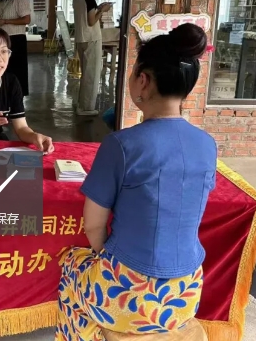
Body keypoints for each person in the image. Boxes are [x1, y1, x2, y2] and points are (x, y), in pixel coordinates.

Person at [56, 24, 217, 340]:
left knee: (71, 267)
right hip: (186, 296)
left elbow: (93, 227)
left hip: (128, 300)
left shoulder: (121, 145)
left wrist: (107, 261)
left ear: (143, 81)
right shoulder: (207, 144)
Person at [72, 0, 112, 116]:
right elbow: (91, 21)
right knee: (92, 75)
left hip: (81, 39)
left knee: (86, 73)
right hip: (91, 39)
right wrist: (102, 10)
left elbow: (85, 15)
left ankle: (81, 104)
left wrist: (98, 8)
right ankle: (87, 108)